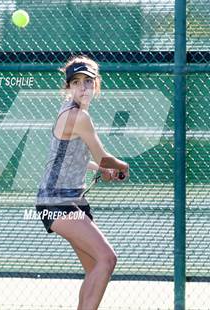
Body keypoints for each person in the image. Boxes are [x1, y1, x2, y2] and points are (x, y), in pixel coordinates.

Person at [35, 55, 129, 310]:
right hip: (57, 202)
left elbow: (67, 158)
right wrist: (120, 167)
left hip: (71, 201)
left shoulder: (72, 112)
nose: (83, 87)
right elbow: (104, 157)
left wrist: (99, 168)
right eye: (76, 82)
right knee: (107, 259)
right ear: (68, 87)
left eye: (88, 81)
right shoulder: (79, 117)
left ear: (96, 84)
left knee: (95, 268)